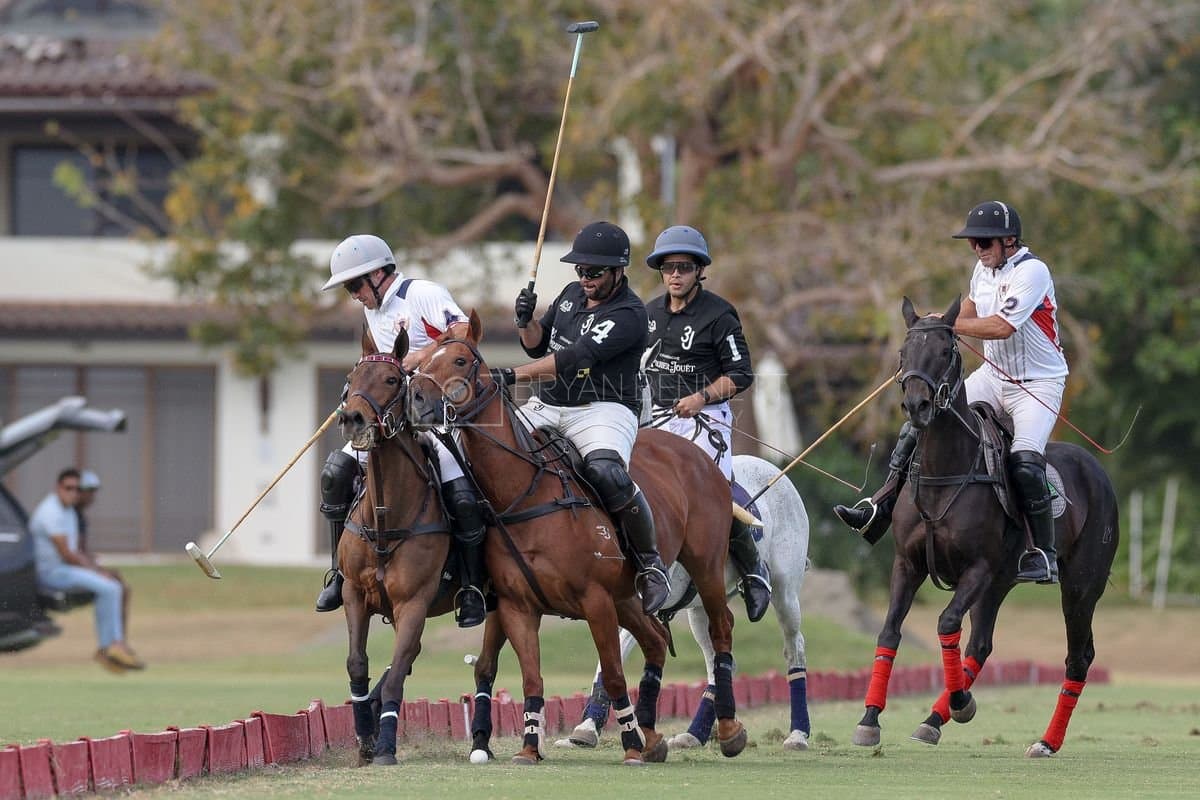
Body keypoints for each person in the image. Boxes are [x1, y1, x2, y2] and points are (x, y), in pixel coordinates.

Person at [835, 200, 1066, 584]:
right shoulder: (983, 270)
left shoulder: (1033, 271)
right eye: (973, 243)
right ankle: (880, 507)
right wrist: (932, 324)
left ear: (1009, 240)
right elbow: (967, 311)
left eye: (984, 242)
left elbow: (1000, 326)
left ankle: (1044, 553)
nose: (977, 249)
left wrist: (948, 329)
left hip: (1037, 385)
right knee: (922, 423)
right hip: (994, 376)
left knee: (1025, 462)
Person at [499, 220, 670, 614]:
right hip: (550, 403)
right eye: (580, 270)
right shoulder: (571, 295)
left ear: (617, 271)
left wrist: (510, 377)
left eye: (593, 272)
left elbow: (574, 358)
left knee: (607, 473)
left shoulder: (629, 314)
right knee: (495, 452)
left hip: (604, 408)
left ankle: (649, 564)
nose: (585, 278)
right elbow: (538, 345)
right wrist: (525, 322)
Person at [317, 233, 488, 627]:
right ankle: (337, 573)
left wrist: (418, 356)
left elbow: (463, 334)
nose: (354, 294)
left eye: (355, 285)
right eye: (348, 288)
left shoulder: (421, 293)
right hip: (394, 421)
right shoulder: (372, 312)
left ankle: (473, 587)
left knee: (461, 496)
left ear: (379, 274)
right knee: (335, 474)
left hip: (437, 417)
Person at [641, 224, 771, 621]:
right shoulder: (647, 315)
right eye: (668, 267)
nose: (675, 274)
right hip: (655, 420)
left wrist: (701, 398)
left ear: (699, 270)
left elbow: (741, 373)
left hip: (705, 418)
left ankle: (753, 571)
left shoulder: (719, 315)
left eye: (684, 266)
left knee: (713, 491)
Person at [29, 468, 145, 672]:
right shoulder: (51, 512)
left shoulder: (68, 510)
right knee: (110, 588)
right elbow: (67, 553)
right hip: (51, 573)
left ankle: (110, 647)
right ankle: (113, 646)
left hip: (64, 569)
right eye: (69, 488)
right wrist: (97, 571)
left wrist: (96, 568)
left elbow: (77, 551)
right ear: (58, 487)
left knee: (111, 587)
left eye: (78, 489)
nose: (74, 493)